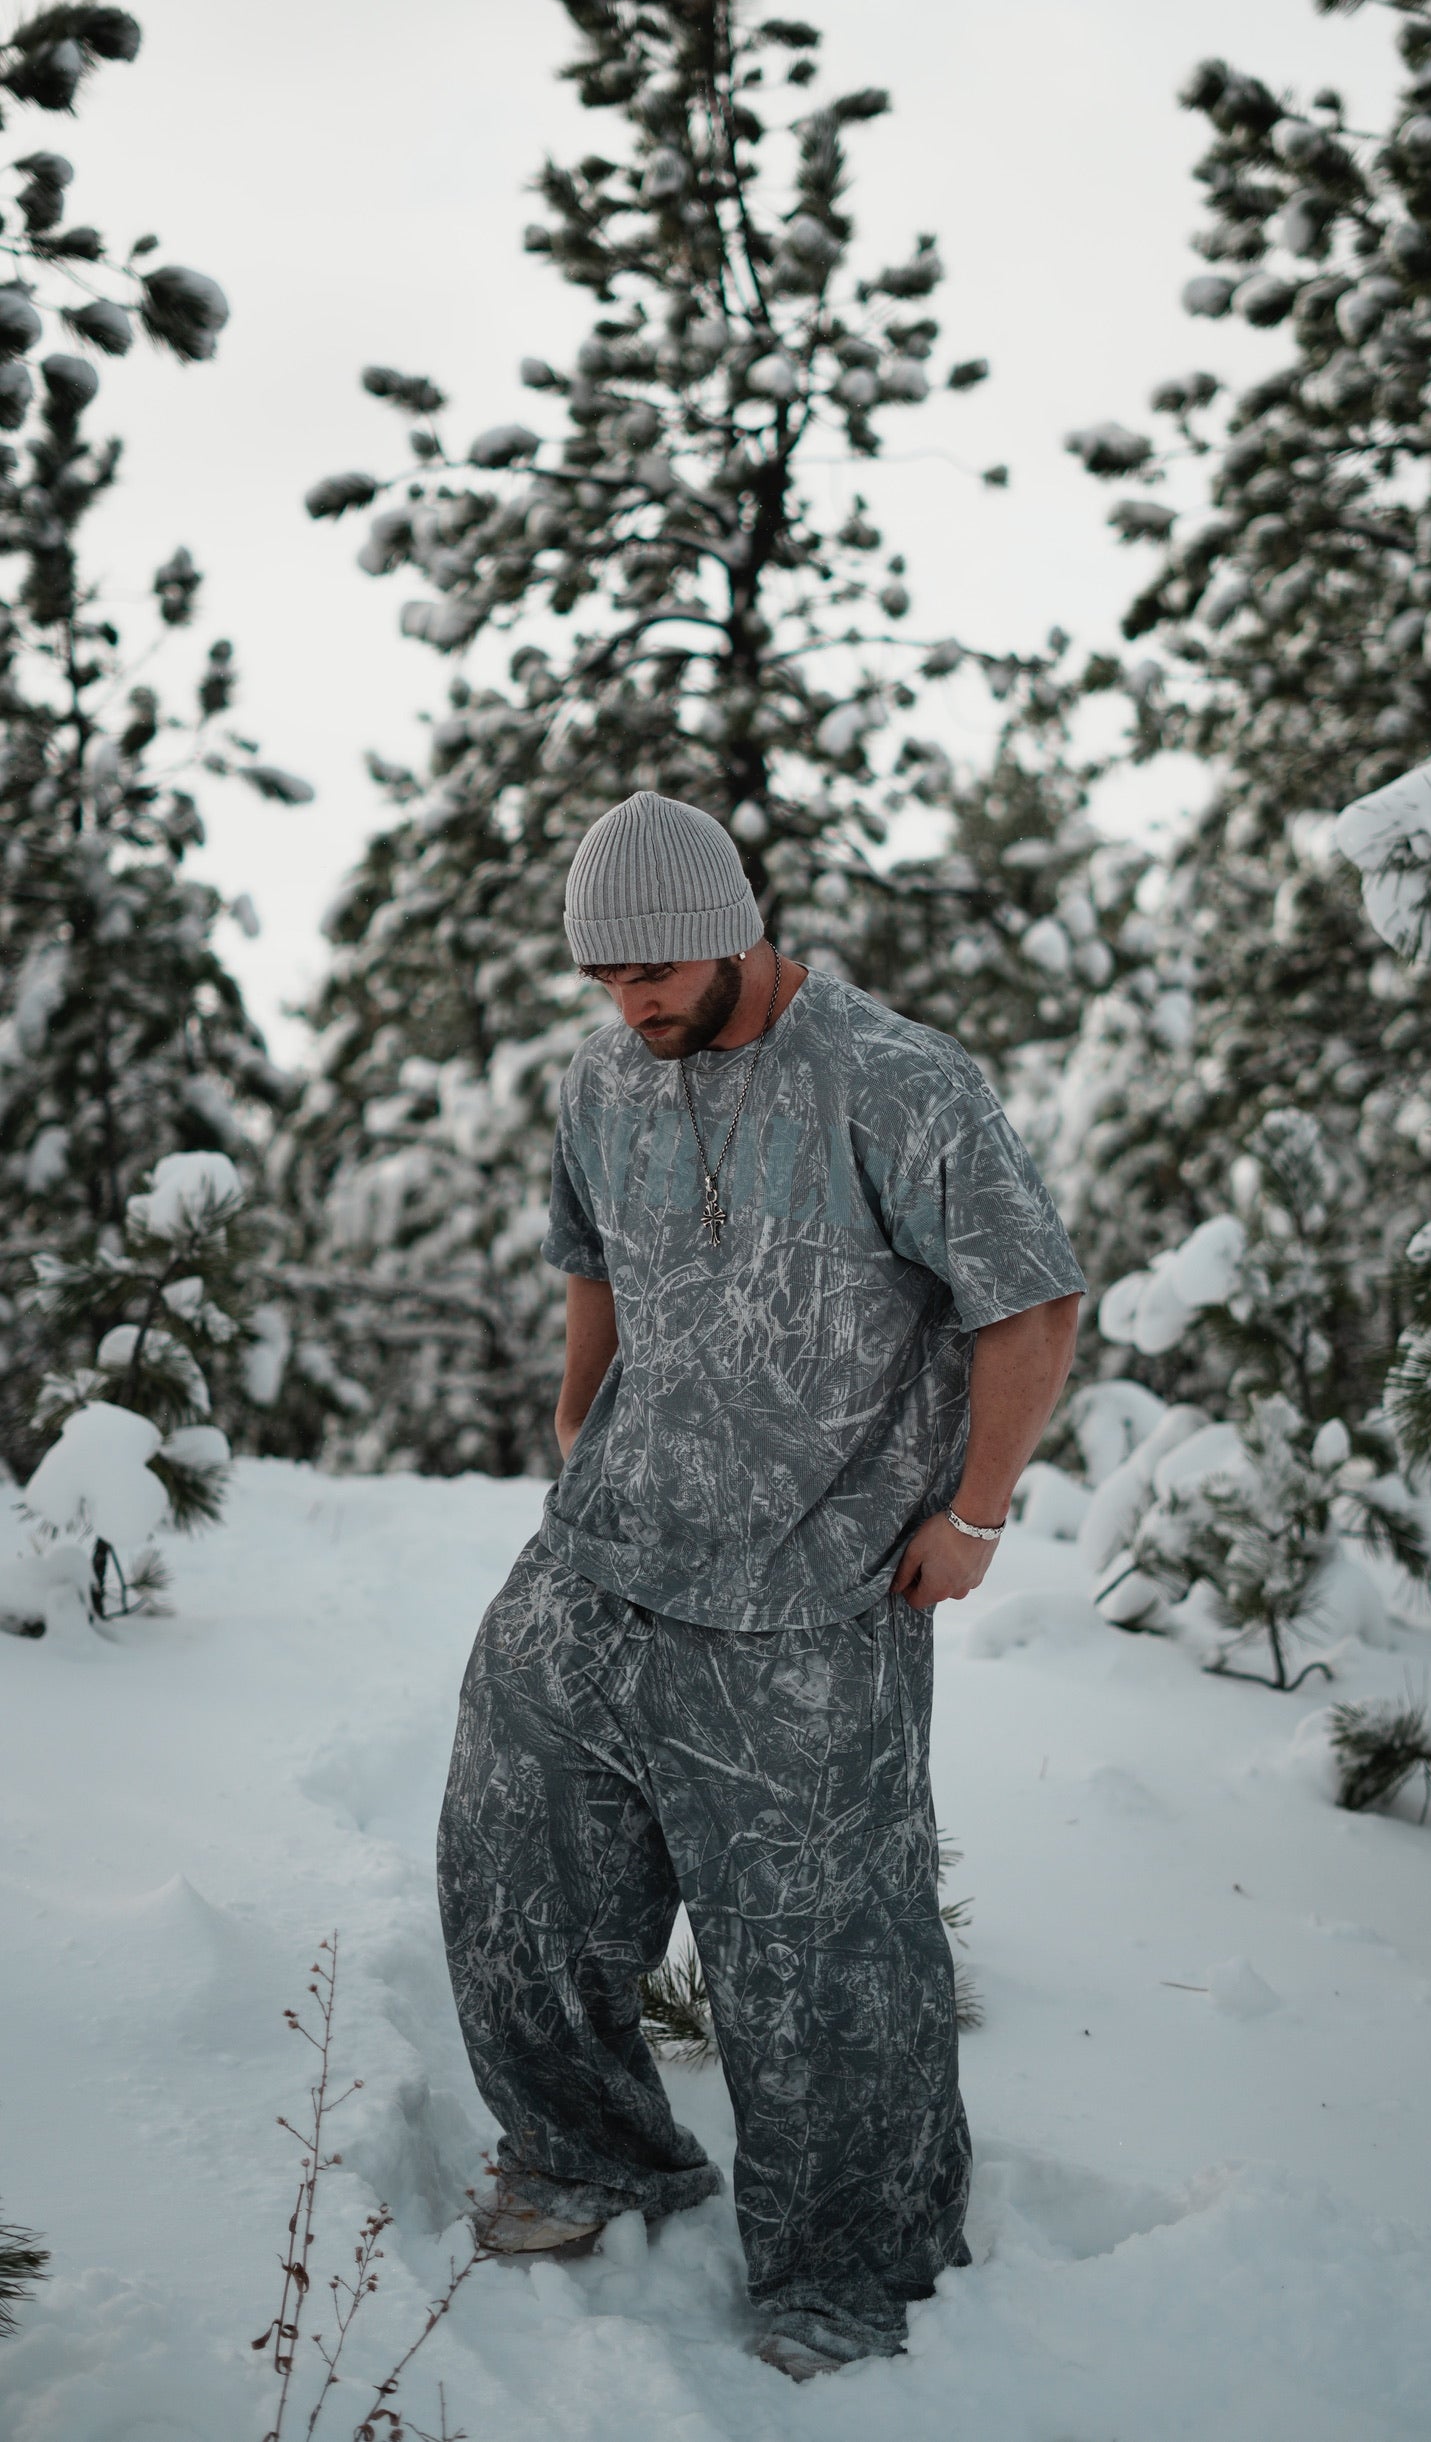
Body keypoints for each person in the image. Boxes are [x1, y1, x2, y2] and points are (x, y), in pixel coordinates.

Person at [437, 790, 1084, 2379]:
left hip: (812, 1582)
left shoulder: (897, 1079)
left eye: (656, 970)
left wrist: (977, 1516)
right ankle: (590, 2151)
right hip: (608, 1552)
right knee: (513, 1858)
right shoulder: (605, 1076)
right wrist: (579, 1421)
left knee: (823, 1962)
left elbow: (1031, 1304)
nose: (632, 1002)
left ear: (736, 928)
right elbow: (593, 1260)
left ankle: (852, 2270)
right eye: (606, 978)